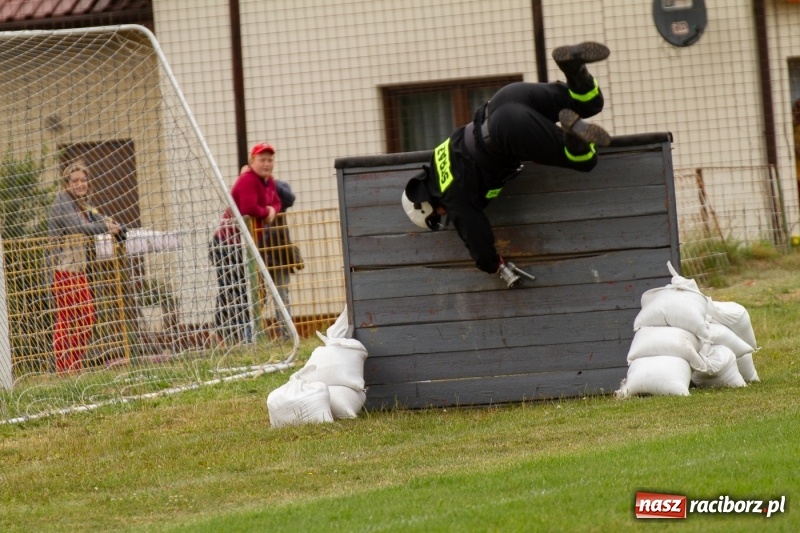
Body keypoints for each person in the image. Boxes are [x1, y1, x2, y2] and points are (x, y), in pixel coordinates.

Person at [401, 41, 612, 287]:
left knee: (586, 160)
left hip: (508, 130)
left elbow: (477, 239)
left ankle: (572, 136)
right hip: (506, 98)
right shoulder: (439, 157)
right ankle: (573, 67)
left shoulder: (452, 198)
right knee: (588, 102)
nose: (443, 215)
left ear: (427, 206)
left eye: (436, 216)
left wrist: (494, 265)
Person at [48, 162, 122, 372]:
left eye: (83, 180)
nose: (80, 184)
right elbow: (77, 227)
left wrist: (115, 226)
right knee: (69, 319)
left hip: (78, 270)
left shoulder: (82, 204)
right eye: (75, 181)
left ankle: (73, 364)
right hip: (63, 270)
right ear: (66, 184)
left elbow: (98, 218)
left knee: (86, 318)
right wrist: (105, 227)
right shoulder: (63, 201)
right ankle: (65, 367)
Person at [210, 142, 282, 344]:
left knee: (241, 288)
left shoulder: (269, 181)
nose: (267, 164)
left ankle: (233, 334)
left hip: (243, 245)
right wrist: (267, 212)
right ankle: (230, 335)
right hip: (227, 244)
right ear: (252, 161)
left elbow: (277, 201)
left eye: (270, 160)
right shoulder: (248, 180)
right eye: (262, 159)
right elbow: (249, 208)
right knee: (233, 289)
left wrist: (272, 210)